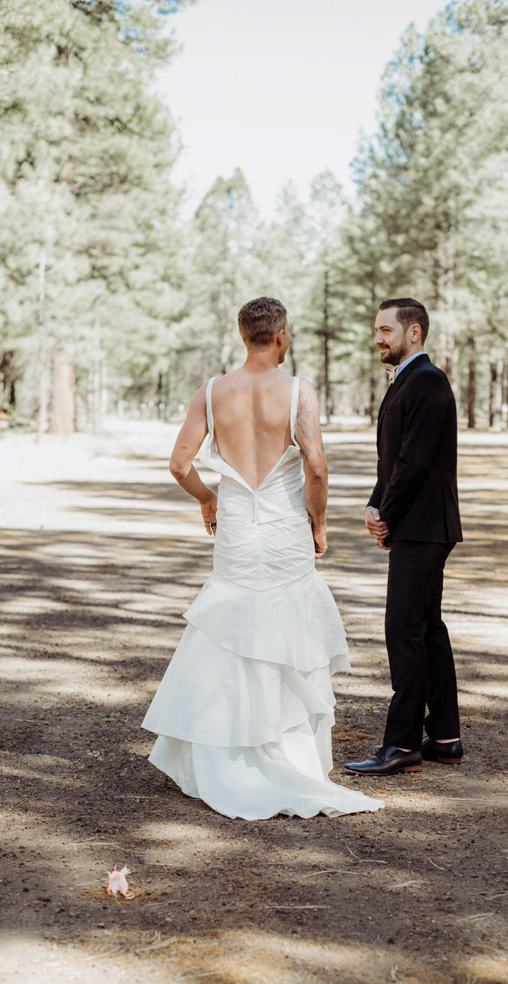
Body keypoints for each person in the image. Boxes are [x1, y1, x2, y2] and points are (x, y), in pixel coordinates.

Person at [142, 297, 383, 819]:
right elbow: (315, 466)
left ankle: (221, 751)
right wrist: (317, 523)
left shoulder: (212, 391)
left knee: (229, 625)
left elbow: (179, 463)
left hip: (234, 528)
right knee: (286, 622)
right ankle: (290, 752)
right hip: (283, 528)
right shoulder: (297, 390)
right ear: (280, 337)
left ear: (243, 335)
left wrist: (207, 497)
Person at [345, 298, 463, 776]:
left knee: (404, 629)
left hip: (424, 527)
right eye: (376, 329)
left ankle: (402, 745)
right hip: (412, 524)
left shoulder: (428, 381)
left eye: (386, 330)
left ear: (414, 333)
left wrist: (387, 515)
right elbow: (390, 463)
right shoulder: (403, 383)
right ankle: (445, 737)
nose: (378, 337)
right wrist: (376, 506)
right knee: (427, 628)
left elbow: (414, 463)